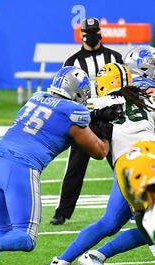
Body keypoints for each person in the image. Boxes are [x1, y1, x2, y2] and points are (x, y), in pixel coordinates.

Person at [0, 66, 110, 265]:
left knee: (3, 231)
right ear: (77, 92)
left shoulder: (37, 98)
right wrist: (106, 127)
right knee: (26, 237)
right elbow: (100, 151)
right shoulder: (73, 113)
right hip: (20, 166)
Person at [49, 48, 155, 265]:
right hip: (145, 162)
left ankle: (64, 261)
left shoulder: (97, 103)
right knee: (144, 221)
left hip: (124, 167)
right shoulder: (146, 94)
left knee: (111, 221)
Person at [51, 17, 124, 225]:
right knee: (75, 166)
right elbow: (64, 93)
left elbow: (124, 85)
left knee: (120, 161)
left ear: (100, 32)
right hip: (85, 118)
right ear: (82, 34)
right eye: (88, 31)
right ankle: (62, 212)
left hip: (111, 117)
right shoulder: (72, 61)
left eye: (95, 31)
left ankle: (137, 203)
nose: (92, 35)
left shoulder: (114, 57)